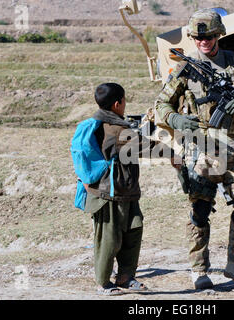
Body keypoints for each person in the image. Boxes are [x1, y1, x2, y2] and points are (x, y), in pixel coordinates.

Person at [154, 9, 234, 290]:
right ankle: (199, 270)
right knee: (200, 209)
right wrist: (179, 120)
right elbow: (161, 105)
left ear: (219, 35)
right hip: (204, 147)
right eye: (198, 37)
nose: (203, 42)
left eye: (208, 36)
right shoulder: (187, 67)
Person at [79, 83, 148, 295]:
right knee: (108, 239)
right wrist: (175, 154)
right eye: (124, 101)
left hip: (125, 191)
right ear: (118, 104)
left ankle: (126, 277)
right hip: (108, 193)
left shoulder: (114, 124)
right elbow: (146, 146)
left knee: (133, 230)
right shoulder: (115, 129)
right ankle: (103, 283)